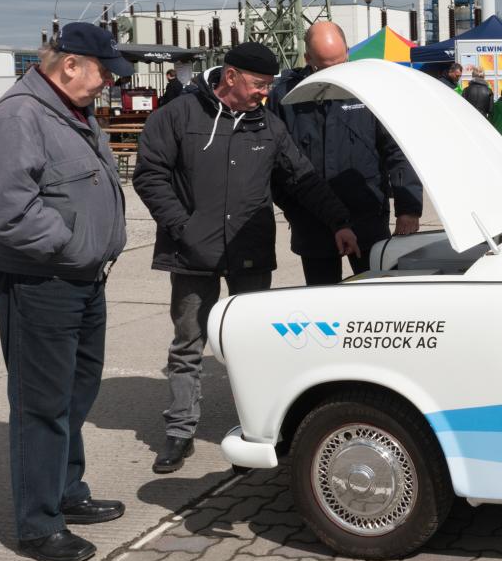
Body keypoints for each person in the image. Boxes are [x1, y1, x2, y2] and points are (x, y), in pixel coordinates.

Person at [133, 41, 361, 473]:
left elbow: (303, 180)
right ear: (231, 76)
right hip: (191, 253)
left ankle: (255, 432)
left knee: (250, 346)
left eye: (269, 85)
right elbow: (150, 175)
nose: (264, 93)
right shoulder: (178, 116)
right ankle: (180, 431)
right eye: (259, 84)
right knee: (188, 344)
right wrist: (182, 227)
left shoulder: (269, 127)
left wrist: (339, 222)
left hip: (250, 251)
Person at [0, 22, 132, 561]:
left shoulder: (71, 111)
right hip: (42, 281)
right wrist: (66, 245)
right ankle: (39, 525)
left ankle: (66, 490)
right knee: (41, 404)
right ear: (69, 66)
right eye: (104, 72)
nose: (108, 83)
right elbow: (1, 207)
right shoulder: (21, 115)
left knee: (75, 393)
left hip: (83, 279)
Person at [270, 21, 423, 286]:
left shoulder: (370, 89)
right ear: (308, 59)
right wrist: (293, 209)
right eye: (326, 67)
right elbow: (275, 161)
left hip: (366, 218)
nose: (336, 73)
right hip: (312, 223)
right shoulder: (287, 96)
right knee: (322, 303)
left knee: (374, 297)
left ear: (348, 52)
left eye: (341, 62)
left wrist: (408, 208)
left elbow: (397, 150)